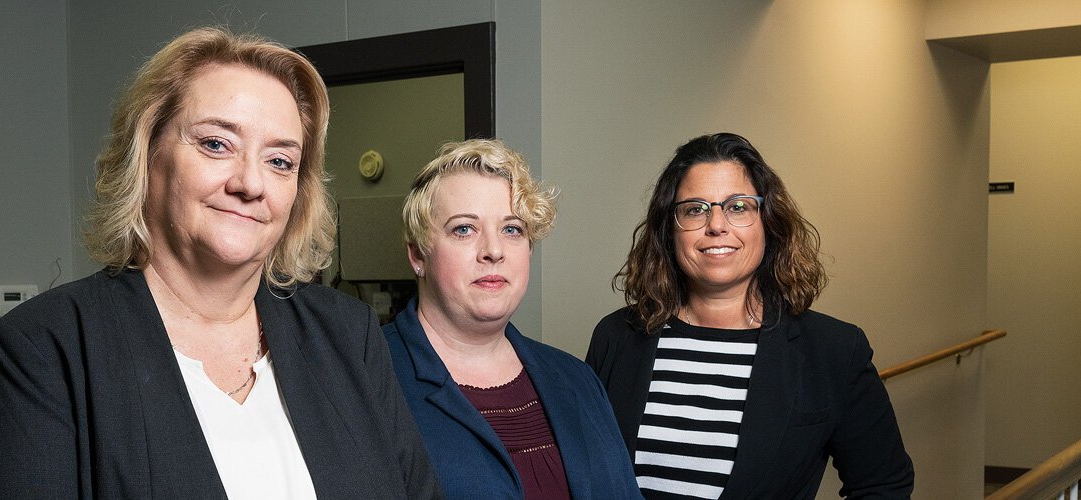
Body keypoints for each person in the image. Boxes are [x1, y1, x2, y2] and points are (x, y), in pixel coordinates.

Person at [0, 27, 440, 499]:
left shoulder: (345, 332)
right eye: (216, 144)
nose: (250, 183)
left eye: (280, 161)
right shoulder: (43, 351)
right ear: (148, 157)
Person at [587, 133, 913, 499]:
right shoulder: (617, 337)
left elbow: (883, 486)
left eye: (738, 206)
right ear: (669, 230)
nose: (716, 225)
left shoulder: (833, 351)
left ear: (767, 221)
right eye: (694, 209)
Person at [382, 139, 640, 499]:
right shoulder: (370, 377)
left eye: (512, 229)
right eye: (464, 229)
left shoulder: (576, 380)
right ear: (417, 255)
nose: (493, 250)